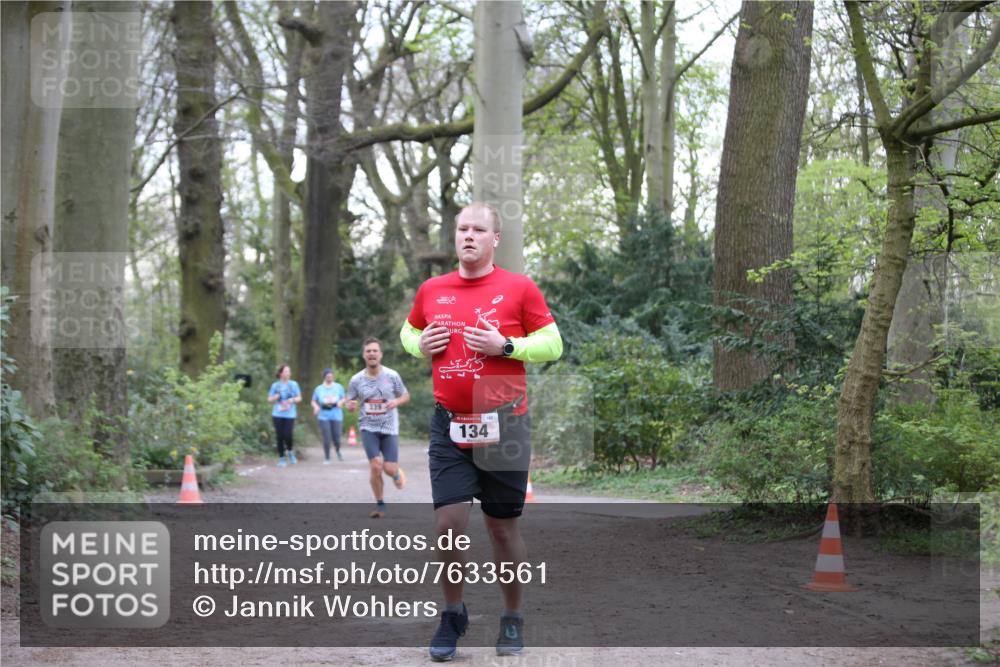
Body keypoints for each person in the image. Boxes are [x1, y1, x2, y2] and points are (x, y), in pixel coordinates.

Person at [399, 202, 563, 660]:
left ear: (495, 239)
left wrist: (505, 345)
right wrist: (419, 344)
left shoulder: (519, 288)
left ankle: (512, 617)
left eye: (478, 229)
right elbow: (407, 333)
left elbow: (553, 344)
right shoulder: (432, 289)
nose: (468, 236)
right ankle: (453, 614)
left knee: (502, 530)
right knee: (448, 525)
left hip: (504, 425)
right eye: (462, 229)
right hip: (449, 425)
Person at [345, 337, 411, 518]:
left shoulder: (392, 375)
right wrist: (350, 405)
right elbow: (349, 400)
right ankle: (380, 505)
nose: (372, 354)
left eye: (375, 351)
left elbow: (405, 395)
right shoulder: (356, 379)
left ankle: (396, 474)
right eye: (368, 351)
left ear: (380, 355)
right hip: (368, 427)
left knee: (388, 468)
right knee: (376, 466)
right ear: (364, 355)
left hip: (389, 427)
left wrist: (396, 401)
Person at [267, 364, 302, 467]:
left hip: (290, 414)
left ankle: (290, 451)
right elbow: (269, 399)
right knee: (280, 436)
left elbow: (299, 398)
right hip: (277, 414)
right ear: (280, 373)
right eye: (286, 371)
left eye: (289, 371)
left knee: (288, 435)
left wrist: (292, 400)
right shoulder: (275, 385)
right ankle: (281, 458)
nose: (288, 373)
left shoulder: (294, 384)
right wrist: (275, 397)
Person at [311, 367, 346, 463]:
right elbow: (313, 401)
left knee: (337, 438)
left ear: (333, 376)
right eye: (328, 376)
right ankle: (327, 457)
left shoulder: (338, 387)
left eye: (331, 376)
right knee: (327, 437)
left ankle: (338, 450)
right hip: (323, 416)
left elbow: (344, 398)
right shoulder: (319, 389)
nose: (330, 378)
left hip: (336, 415)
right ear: (324, 377)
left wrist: (341, 402)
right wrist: (316, 407)